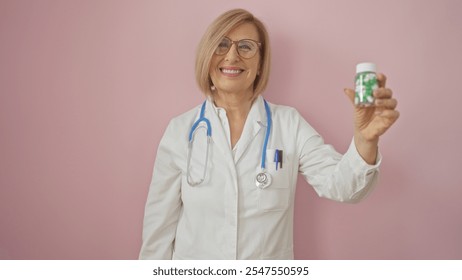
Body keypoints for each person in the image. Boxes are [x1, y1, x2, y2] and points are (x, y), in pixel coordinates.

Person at [139, 8, 399, 260]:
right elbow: (158, 232)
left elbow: (343, 187)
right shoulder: (179, 131)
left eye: (246, 46)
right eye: (222, 44)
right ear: (207, 59)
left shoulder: (289, 124)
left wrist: (365, 140)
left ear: (261, 64)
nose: (231, 56)